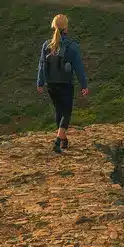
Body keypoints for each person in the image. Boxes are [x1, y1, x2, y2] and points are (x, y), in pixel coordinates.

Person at [36, 13, 89, 154]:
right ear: (66, 27)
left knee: (59, 110)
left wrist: (40, 83)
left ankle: (64, 140)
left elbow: (42, 65)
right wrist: (84, 85)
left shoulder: (46, 45)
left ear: (53, 26)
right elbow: (78, 68)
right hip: (66, 84)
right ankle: (58, 141)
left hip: (51, 84)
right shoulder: (72, 47)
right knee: (66, 112)